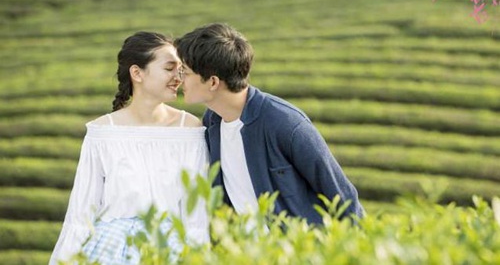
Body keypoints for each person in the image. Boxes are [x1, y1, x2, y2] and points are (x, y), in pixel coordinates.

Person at [174, 23, 364, 225]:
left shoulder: (284, 122)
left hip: (298, 249)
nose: (179, 79)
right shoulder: (212, 122)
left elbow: (342, 195)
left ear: (212, 82)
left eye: (184, 72)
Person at [49, 32, 209, 265]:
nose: (179, 77)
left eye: (180, 69)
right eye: (169, 68)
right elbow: (81, 214)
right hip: (108, 250)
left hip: (170, 249)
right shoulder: (101, 132)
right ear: (137, 73)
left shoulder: (189, 129)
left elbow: (197, 214)